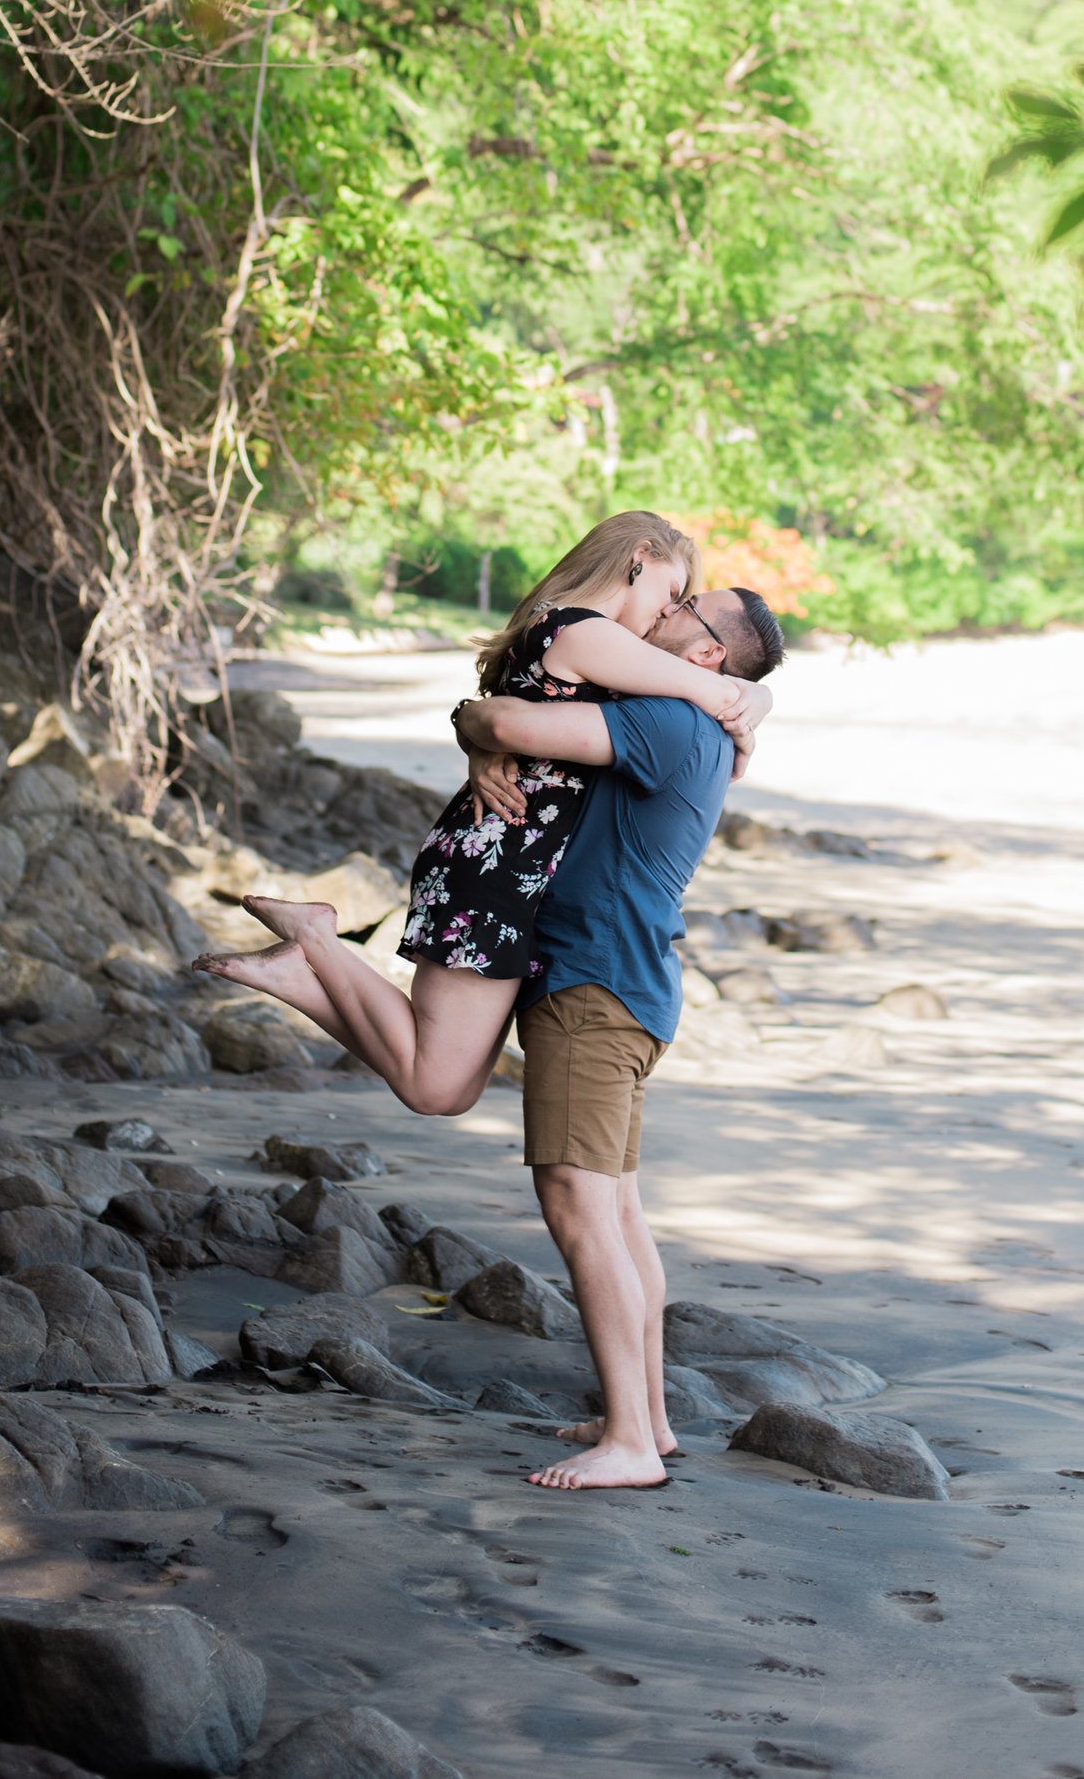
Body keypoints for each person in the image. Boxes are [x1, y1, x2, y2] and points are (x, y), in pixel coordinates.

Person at [193, 511, 777, 1115]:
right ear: (639, 557)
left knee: (449, 1085)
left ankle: (303, 966)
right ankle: (315, 940)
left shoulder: (569, 630)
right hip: (499, 860)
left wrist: (756, 693)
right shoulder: (585, 632)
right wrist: (751, 702)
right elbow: (710, 688)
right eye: (672, 591)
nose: (666, 610)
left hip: (509, 860)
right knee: (435, 1086)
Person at [450, 582, 778, 1490]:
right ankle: (650, 1421)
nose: (662, 617)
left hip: (594, 983)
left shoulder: (671, 723)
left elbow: (511, 725)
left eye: (686, 611)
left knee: (578, 1203)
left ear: (709, 654)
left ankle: (631, 1441)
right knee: (621, 1212)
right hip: (629, 981)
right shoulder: (701, 723)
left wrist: (482, 732)